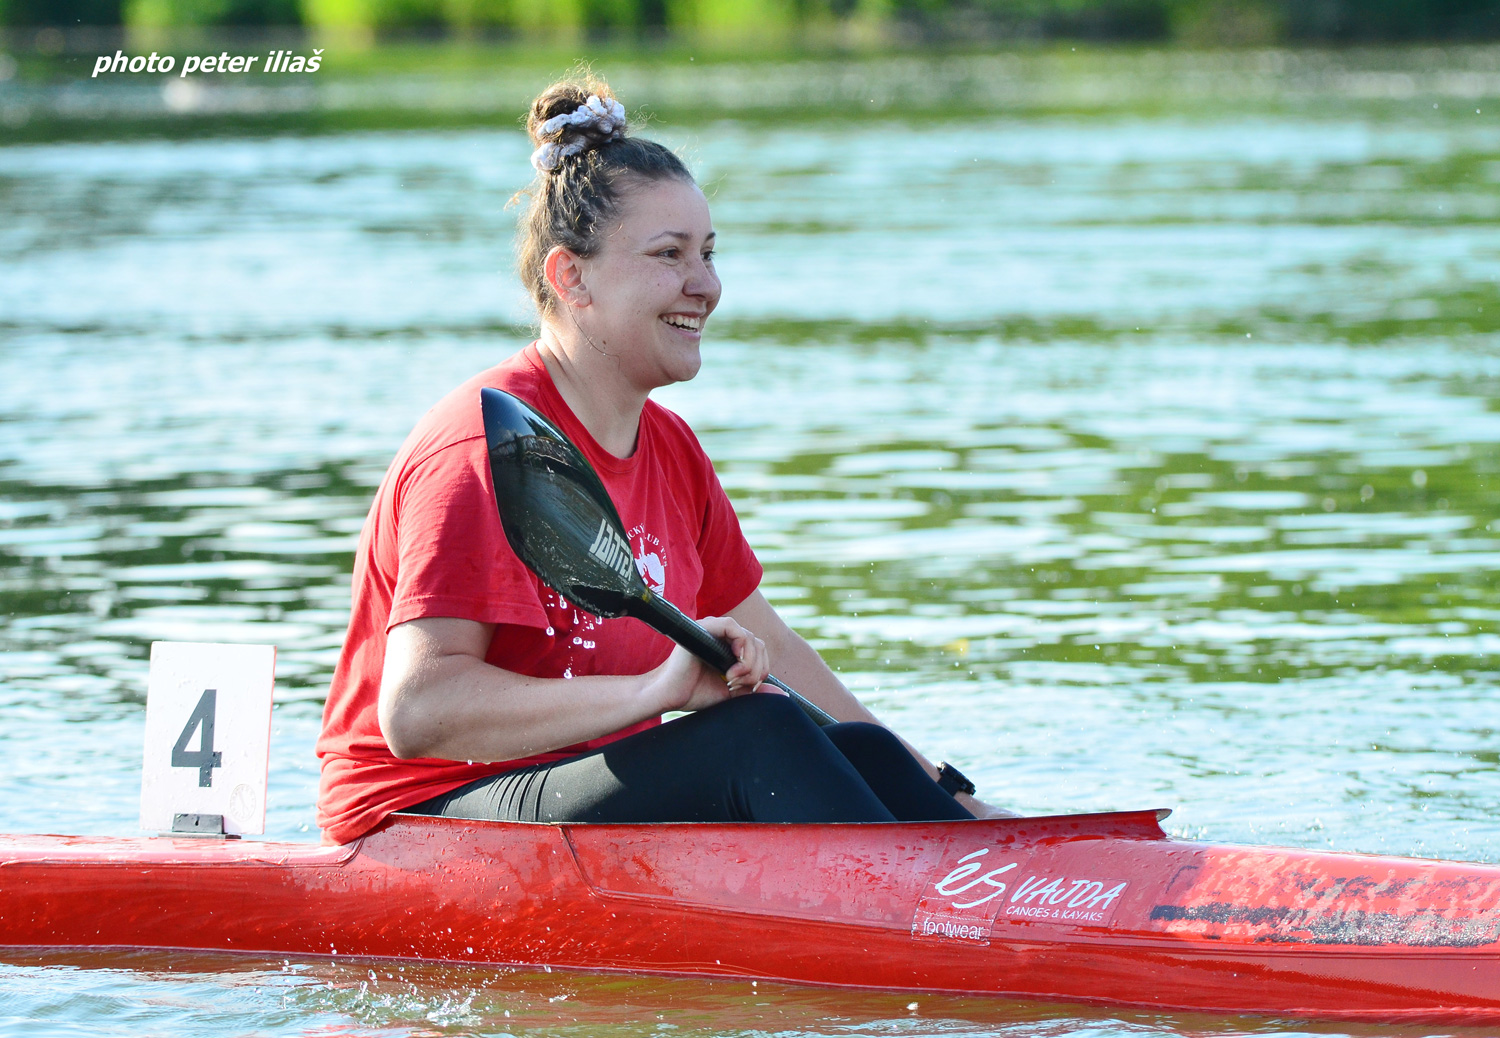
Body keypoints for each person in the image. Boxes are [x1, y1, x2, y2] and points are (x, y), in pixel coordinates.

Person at [315, 77, 1004, 846]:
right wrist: (654, 691)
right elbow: (418, 712)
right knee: (758, 740)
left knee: (850, 745)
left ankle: (1017, 878)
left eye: (708, 254)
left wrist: (938, 785)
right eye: (669, 255)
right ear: (571, 277)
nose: (705, 285)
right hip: (415, 818)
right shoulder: (486, 450)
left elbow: (774, 649)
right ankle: (954, 932)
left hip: (561, 796)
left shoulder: (671, 451)